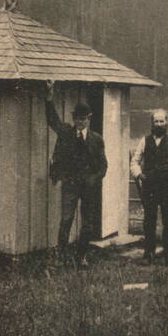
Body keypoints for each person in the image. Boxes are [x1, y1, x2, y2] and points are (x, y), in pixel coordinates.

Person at [45, 80, 108, 267]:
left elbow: (103, 166)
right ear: (74, 119)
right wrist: (49, 98)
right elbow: (52, 120)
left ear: (89, 119)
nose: (80, 122)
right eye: (77, 119)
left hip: (88, 187)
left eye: (84, 119)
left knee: (87, 224)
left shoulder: (97, 140)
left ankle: (81, 257)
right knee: (66, 220)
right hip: (70, 184)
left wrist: (93, 180)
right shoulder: (66, 133)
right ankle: (61, 256)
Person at [130, 109, 168, 266]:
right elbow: (135, 161)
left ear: (167, 122)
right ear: (152, 123)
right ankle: (148, 254)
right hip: (149, 186)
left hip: (167, 185)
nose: (158, 124)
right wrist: (138, 174)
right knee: (149, 220)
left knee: (167, 221)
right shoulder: (144, 140)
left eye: (161, 121)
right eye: (155, 121)